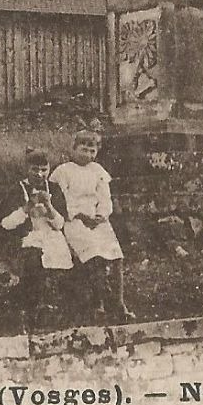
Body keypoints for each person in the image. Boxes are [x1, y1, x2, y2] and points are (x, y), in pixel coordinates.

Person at [49, 129, 132, 322]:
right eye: (83, 149)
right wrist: (79, 215)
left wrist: (101, 216)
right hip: (75, 220)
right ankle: (98, 303)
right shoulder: (64, 171)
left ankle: (119, 303)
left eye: (91, 151)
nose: (87, 154)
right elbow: (61, 200)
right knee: (94, 255)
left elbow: (105, 198)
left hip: (97, 221)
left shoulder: (98, 171)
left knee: (116, 255)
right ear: (74, 148)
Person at [0, 148, 72, 328]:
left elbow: (60, 224)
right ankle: (33, 314)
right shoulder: (17, 189)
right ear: (26, 168)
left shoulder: (53, 189)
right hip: (28, 238)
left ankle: (54, 315)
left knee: (59, 267)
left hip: (53, 238)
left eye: (44, 170)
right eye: (34, 170)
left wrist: (48, 205)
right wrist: (26, 208)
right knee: (33, 264)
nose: (39, 174)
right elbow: (6, 224)